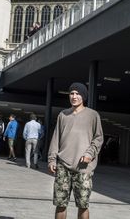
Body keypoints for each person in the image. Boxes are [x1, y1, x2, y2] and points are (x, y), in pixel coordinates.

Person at [48, 82, 104, 219]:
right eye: (72, 93)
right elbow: (56, 138)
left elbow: (98, 138)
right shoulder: (63, 115)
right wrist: (51, 159)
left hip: (84, 168)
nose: (74, 96)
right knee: (60, 204)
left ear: (83, 97)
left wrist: (89, 154)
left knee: (83, 204)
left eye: (78, 94)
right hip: (63, 166)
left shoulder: (93, 115)